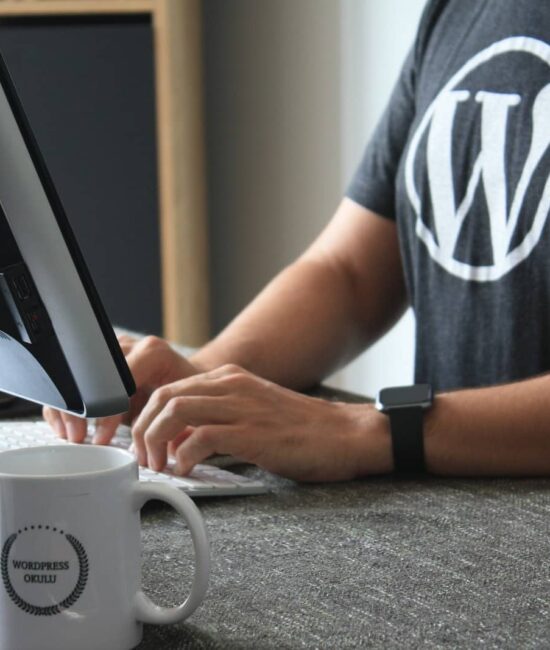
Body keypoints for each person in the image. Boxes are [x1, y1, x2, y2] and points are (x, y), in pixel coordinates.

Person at [44, 0, 550, 480]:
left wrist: (360, 429)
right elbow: (349, 272)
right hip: (457, 511)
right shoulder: (459, 11)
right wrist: (200, 381)